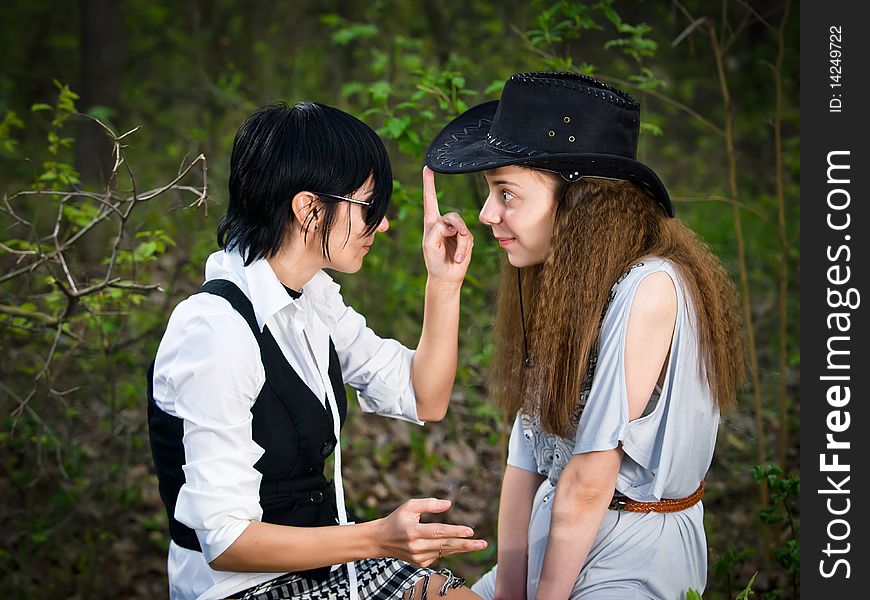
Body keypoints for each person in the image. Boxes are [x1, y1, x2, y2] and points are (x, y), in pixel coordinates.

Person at [147, 101, 488, 600]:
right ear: (308, 209)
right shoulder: (215, 330)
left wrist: (444, 283)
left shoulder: (312, 296)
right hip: (239, 589)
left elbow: (424, 396)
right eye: (369, 208)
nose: (385, 225)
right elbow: (225, 543)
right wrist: (377, 539)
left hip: (324, 566)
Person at [424, 72, 745, 599]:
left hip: (632, 557)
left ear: (581, 205)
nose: (486, 215)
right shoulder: (567, 285)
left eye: (507, 193)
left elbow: (590, 480)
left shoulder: (650, 286)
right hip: (554, 542)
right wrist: (507, 591)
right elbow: (525, 462)